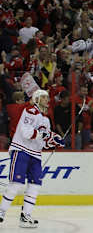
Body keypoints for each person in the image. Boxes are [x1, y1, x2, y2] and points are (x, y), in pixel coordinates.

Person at [0, 90, 64, 228]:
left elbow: (42, 142)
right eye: (43, 97)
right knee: (16, 184)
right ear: (36, 99)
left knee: (35, 185)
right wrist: (46, 135)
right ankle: (1, 211)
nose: (47, 99)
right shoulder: (30, 111)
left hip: (35, 154)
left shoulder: (46, 119)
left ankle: (25, 216)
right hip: (21, 150)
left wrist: (54, 141)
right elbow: (26, 132)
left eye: (48, 97)